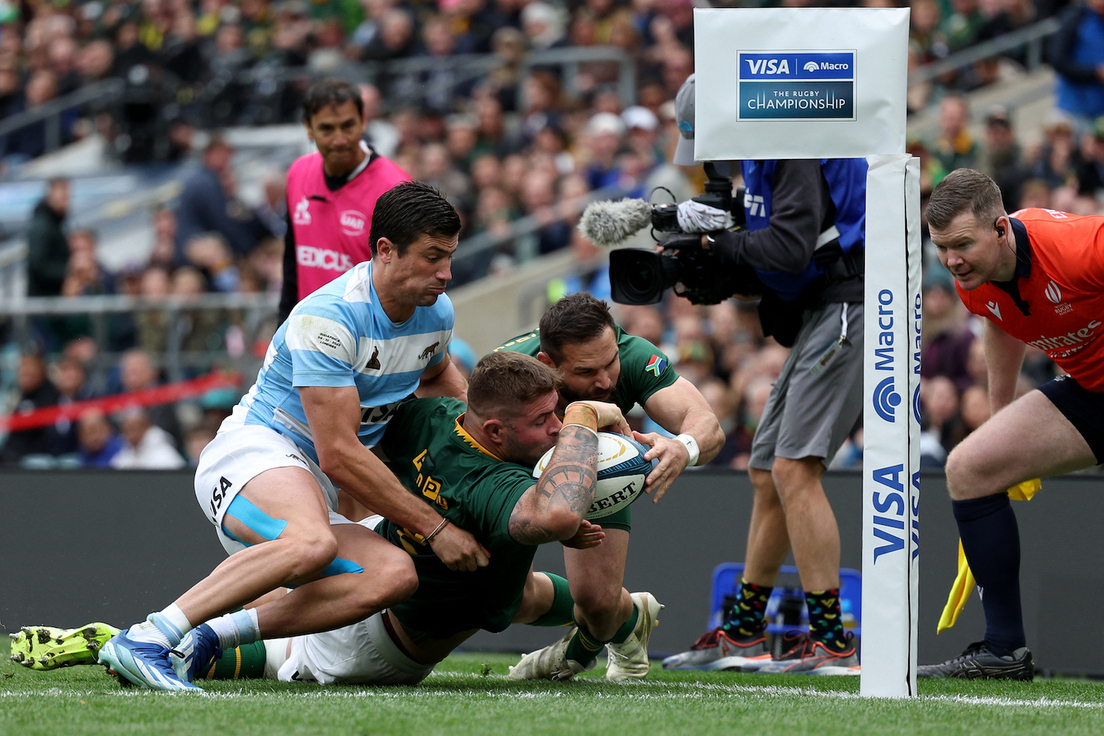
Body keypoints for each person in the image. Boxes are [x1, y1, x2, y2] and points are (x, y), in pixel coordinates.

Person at [15, 353, 653, 689]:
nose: (555, 426)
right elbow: (558, 508)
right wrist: (583, 418)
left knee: (523, 593)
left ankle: (623, 620)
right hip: (371, 643)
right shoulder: (498, 486)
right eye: (543, 419)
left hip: (381, 549)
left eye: (557, 414)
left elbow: (389, 423)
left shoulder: (433, 417)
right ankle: (142, 641)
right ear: (492, 430)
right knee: (262, 657)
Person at [96, 181, 486, 691]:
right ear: (385, 251)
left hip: (312, 486)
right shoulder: (328, 318)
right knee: (311, 543)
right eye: (433, 257)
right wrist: (436, 528)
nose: (446, 273)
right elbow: (339, 454)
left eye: (449, 256)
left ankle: (206, 639)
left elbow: (438, 378)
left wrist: (490, 443)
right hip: (252, 455)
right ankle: (147, 637)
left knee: (395, 577)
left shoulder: (436, 313)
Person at [662, 74, 867, 674]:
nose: (712, 160)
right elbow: (784, 253)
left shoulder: (788, 142)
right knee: (766, 471)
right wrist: (721, 252)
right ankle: (745, 632)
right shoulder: (768, 146)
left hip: (850, 304)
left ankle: (833, 640)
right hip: (829, 306)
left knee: (792, 468)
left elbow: (789, 250)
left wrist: (718, 248)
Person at [916, 168, 1104, 680]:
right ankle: (1003, 652)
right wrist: (1001, 423)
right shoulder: (972, 282)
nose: (951, 260)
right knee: (972, 467)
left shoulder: (1075, 247)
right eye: (941, 247)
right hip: (1091, 393)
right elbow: (1002, 323)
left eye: (962, 244)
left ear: (1001, 229)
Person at [496, 293, 724, 681]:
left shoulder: (634, 356)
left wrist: (682, 447)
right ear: (547, 364)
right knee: (498, 599)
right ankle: (623, 623)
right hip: (515, 472)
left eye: (610, 363)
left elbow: (708, 427)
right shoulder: (508, 372)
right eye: (586, 371)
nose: (604, 381)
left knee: (599, 605)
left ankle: (591, 639)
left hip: (597, 467)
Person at [277, 78, 410, 323]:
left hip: (369, 336)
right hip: (307, 332)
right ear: (309, 128)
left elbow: (405, 283)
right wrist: (283, 329)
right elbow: (292, 267)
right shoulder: (298, 173)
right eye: (327, 129)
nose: (339, 139)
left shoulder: (395, 189)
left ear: (363, 121)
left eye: (347, 126)